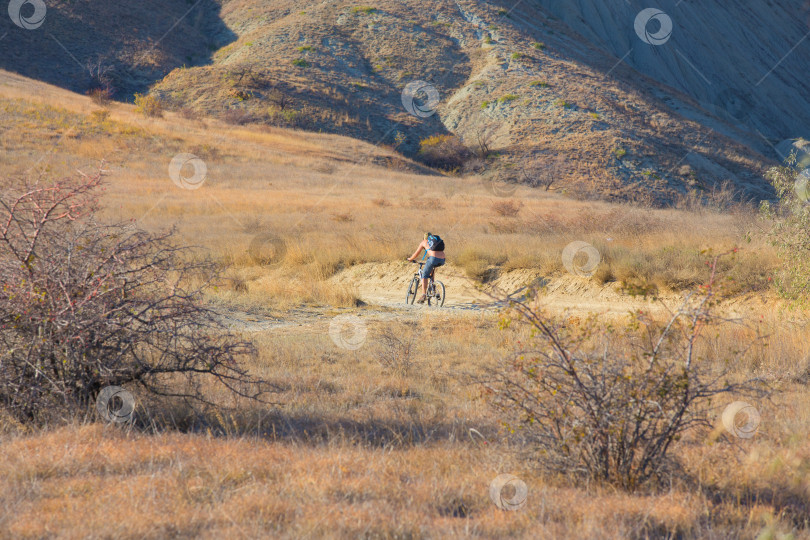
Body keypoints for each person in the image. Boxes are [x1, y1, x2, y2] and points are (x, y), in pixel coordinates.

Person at [407, 232, 446, 303]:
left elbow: (416, 254)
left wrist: (410, 259)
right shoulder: (435, 243)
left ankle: (424, 295)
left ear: (424, 237)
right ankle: (433, 289)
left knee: (424, 274)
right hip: (443, 259)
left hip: (433, 259)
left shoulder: (424, 242)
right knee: (431, 271)